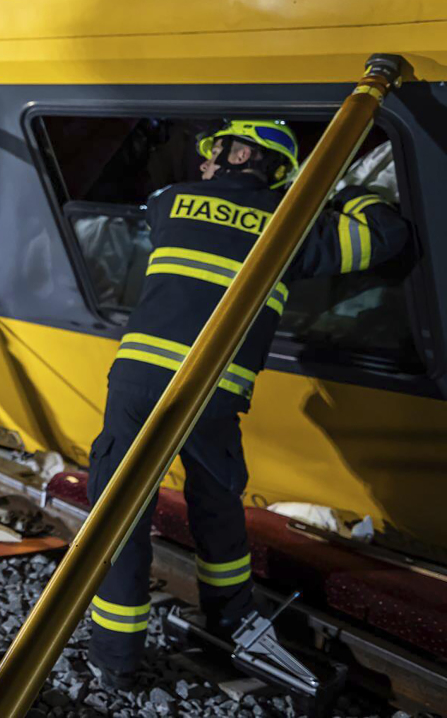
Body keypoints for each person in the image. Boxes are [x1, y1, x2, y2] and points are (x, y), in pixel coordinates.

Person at [85, 119, 410, 687]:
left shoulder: (173, 201)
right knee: (216, 507)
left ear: (236, 153)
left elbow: (164, 212)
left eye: (212, 153)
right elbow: (387, 235)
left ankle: (115, 660)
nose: (204, 163)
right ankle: (231, 622)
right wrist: (333, 188)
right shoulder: (295, 227)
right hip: (214, 394)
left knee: (118, 514)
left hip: (139, 384)